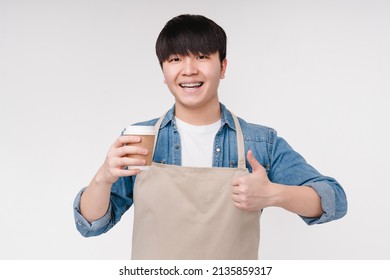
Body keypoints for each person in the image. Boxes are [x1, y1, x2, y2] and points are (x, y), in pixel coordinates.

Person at [73, 14, 347, 259]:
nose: (189, 70)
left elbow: (334, 200)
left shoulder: (260, 142)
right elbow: (91, 224)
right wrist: (104, 177)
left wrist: (273, 194)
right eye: (176, 59)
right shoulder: (138, 140)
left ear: (223, 67)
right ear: (164, 71)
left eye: (202, 56)